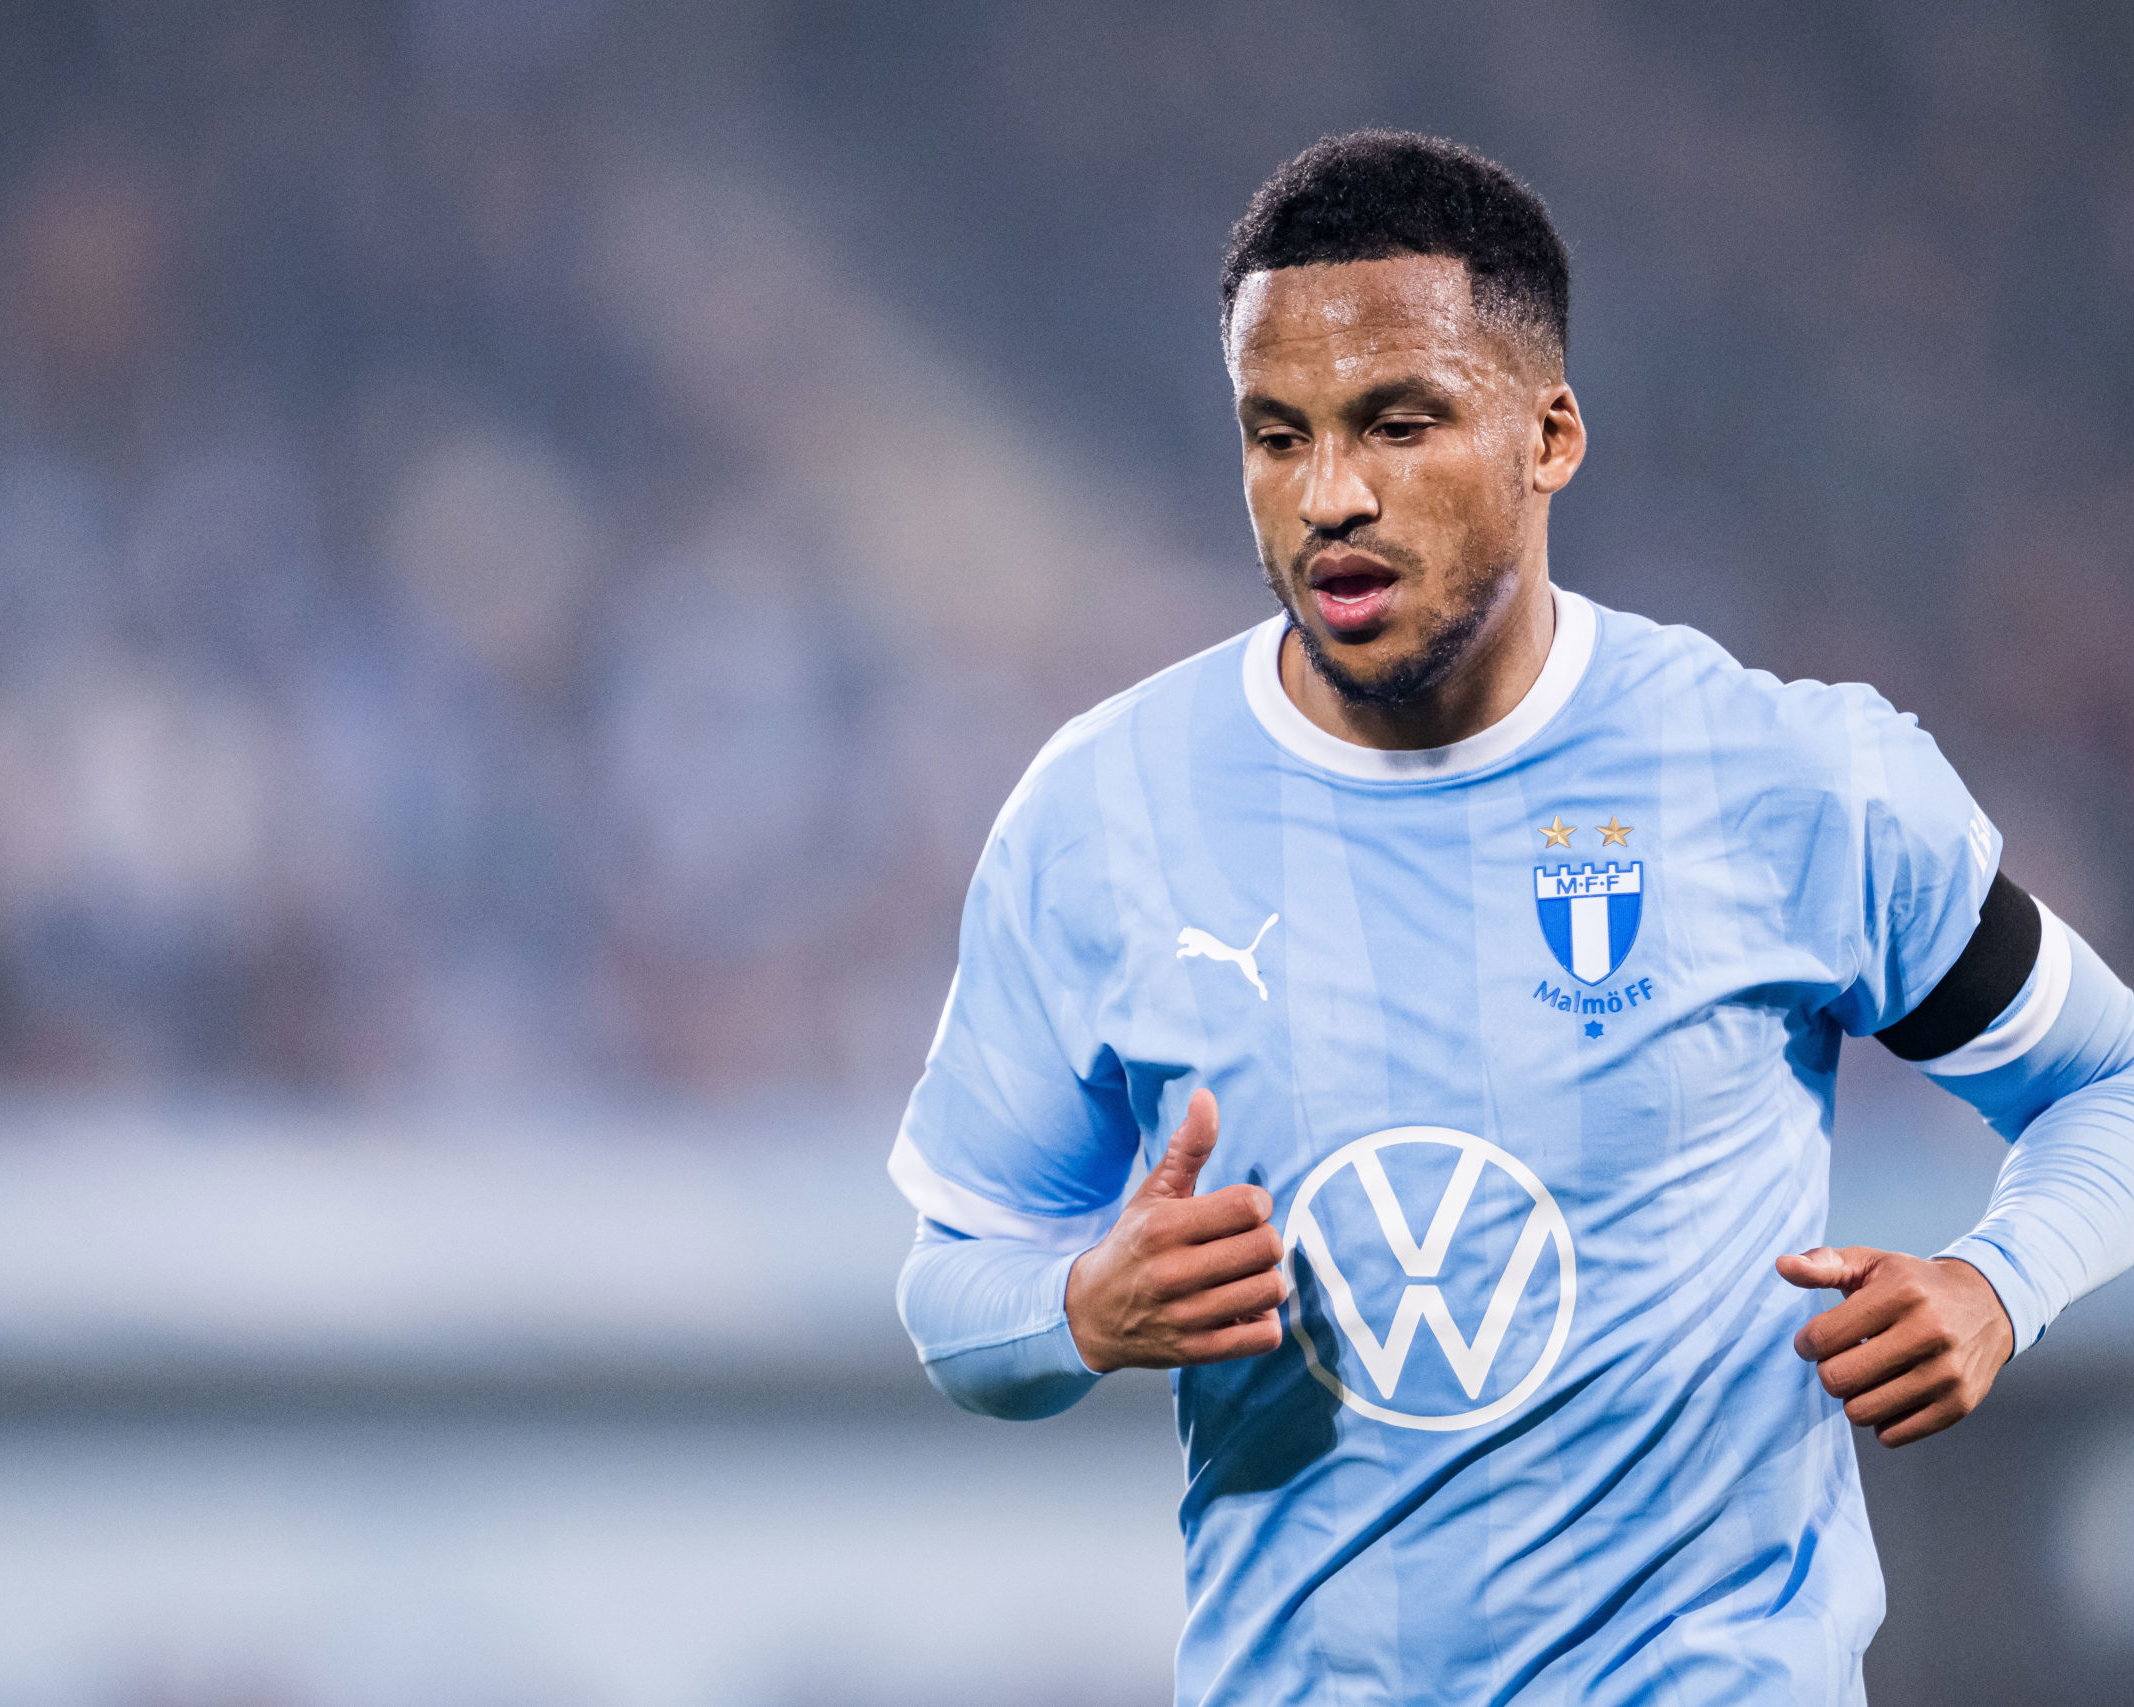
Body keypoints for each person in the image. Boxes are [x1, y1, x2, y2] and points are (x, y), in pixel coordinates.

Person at [886, 131, 2134, 1705]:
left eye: (1396, 423)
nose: (1329, 495)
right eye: (1276, 436)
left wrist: (1998, 1283)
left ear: (1548, 437)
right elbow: (955, 1294)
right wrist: (1079, 1311)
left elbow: (2108, 1082)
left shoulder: (1782, 777)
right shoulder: (1102, 810)